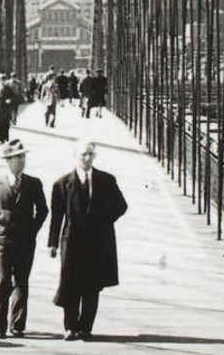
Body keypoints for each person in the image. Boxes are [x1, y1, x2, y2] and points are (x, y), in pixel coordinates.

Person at [48, 140, 128, 341]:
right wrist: (53, 244)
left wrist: (103, 219)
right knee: (70, 283)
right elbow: (57, 216)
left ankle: (85, 327)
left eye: (90, 154)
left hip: (97, 242)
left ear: (95, 156)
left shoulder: (106, 180)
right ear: (75, 156)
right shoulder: (62, 183)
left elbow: (121, 205)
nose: (86, 158)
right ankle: (70, 327)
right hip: (72, 240)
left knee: (92, 285)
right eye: (83, 154)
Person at [0, 139, 49, 339]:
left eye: (23, 156)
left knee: (21, 281)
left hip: (25, 241)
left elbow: (43, 209)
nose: (22, 160)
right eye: (18, 157)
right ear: (8, 160)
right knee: (3, 282)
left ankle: (17, 324)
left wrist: (33, 229)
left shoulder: (33, 183)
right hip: (3, 240)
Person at [0, 73, 16, 143]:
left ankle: (6, 139)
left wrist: (10, 100)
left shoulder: (8, 89)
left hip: (6, 111)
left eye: (4, 80)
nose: (2, 82)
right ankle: (0, 139)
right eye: (1, 80)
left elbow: (15, 97)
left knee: (6, 126)